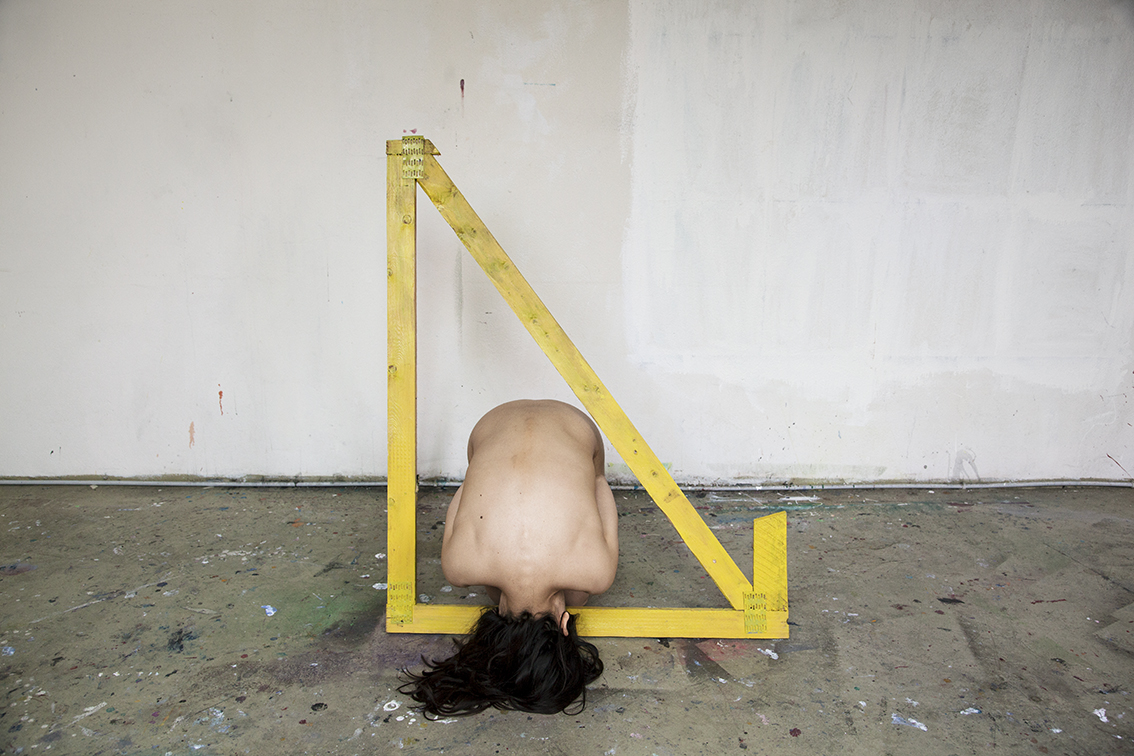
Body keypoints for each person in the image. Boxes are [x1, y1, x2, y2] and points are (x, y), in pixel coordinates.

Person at [400, 399, 619, 717]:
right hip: (491, 424)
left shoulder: (596, 572)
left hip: (572, 423)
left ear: (564, 625)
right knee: (515, 585)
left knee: (579, 594)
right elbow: (467, 488)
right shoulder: (459, 566)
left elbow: (600, 487)